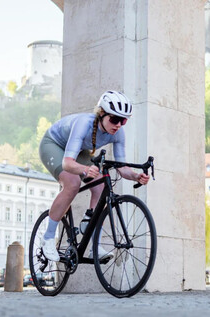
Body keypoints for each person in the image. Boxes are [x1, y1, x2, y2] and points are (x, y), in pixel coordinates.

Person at [39, 90, 150, 262]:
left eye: (124, 120)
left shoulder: (118, 133)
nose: (119, 124)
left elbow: (122, 168)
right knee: (73, 183)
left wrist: (136, 176)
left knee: (100, 182)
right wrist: (84, 170)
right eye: (114, 119)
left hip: (78, 151)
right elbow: (67, 163)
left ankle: (94, 242)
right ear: (101, 114)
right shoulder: (84, 124)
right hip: (53, 145)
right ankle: (47, 238)